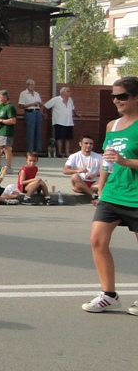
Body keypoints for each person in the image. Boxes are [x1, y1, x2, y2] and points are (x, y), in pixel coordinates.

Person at [81, 77, 138, 314]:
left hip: (136, 195)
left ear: (136, 97)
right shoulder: (112, 126)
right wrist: (101, 188)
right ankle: (109, 295)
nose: (116, 101)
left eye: (122, 96)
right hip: (113, 193)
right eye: (113, 96)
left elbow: (120, 159)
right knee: (97, 240)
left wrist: (125, 161)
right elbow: (107, 159)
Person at [63, 135, 102, 201]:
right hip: (80, 183)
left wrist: (95, 174)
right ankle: (92, 194)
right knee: (74, 176)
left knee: (106, 180)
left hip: (94, 184)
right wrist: (78, 171)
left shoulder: (98, 157)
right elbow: (65, 170)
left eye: (91, 144)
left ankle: (90, 192)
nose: (89, 145)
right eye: (86, 143)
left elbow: (105, 171)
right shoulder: (74, 156)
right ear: (80, 144)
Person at [45, 87, 75, 157]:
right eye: (68, 91)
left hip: (69, 122)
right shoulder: (56, 99)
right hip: (59, 121)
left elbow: (72, 108)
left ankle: (67, 152)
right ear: (62, 93)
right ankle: (59, 152)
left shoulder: (70, 100)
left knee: (68, 138)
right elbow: (46, 106)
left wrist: (76, 114)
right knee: (59, 137)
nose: (70, 92)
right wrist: (45, 114)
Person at [0, 90, 17, 173]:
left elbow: (13, 120)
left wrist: (0, 120)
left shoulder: (10, 107)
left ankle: (9, 167)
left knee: (6, 149)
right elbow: (1, 119)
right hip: (0, 131)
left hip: (6, 132)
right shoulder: (3, 107)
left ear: (5, 98)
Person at [17, 79, 44, 157]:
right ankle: (30, 151)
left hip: (37, 112)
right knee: (30, 132)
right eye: (30, 85)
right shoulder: (23, 93)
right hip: (30, 112)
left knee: (38, 131)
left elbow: (39, 103)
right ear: (27, 85)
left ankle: (38, 150)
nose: (32, 86)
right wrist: (32, 104)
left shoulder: (36, 94)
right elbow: (20, 105)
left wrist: (40, 104)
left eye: (33, 85)